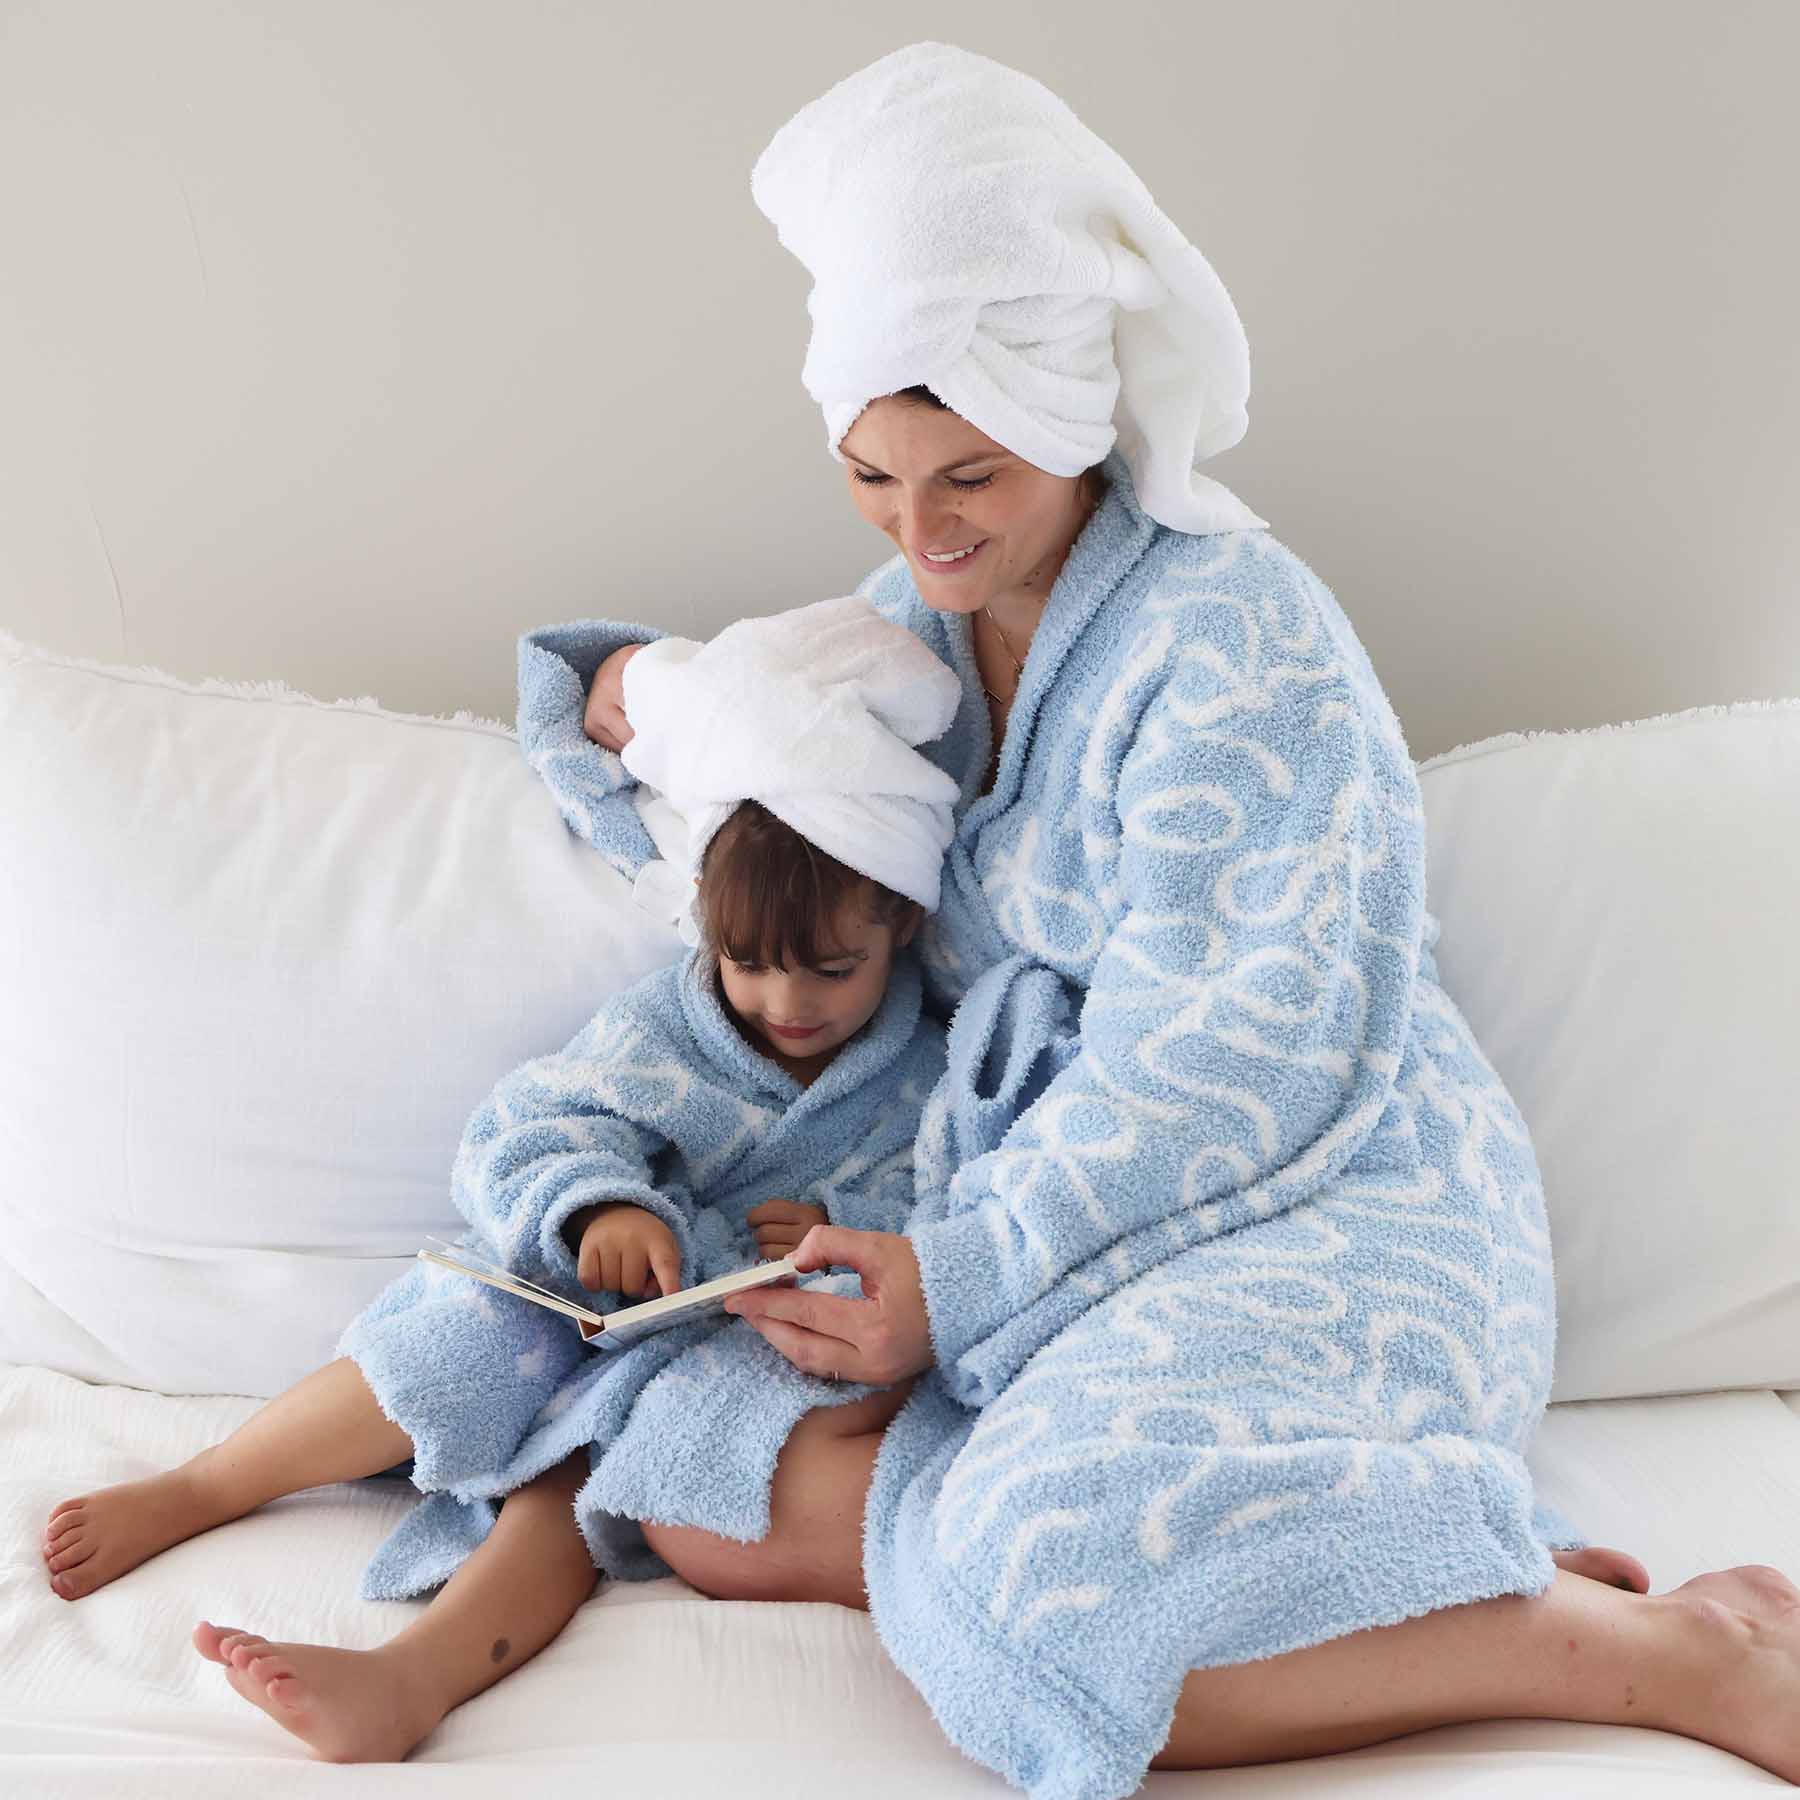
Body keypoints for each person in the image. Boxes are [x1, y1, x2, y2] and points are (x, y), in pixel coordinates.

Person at [541, 43, 1800, 1799]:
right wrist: (622, 701)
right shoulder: (897, 629)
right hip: (1054, 1227)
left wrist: (963, 1279)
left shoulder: (1238, 636)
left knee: (1038, 1604)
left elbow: (1237, 1057)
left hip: (1329, 1188)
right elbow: (719, 766)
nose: (924, 532)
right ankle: (1385, 1588)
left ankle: (1661, 1654)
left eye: (969, 477)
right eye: (874, 478)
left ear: (1066, 416)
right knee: (703, 1489)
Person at [39, 599, 956, 1764]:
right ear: (708, 936)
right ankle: (207, 1486)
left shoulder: (927, 1074)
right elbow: (528, 1122)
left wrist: (844, 1234)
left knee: (596, 1476)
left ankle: (412, 1680)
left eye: (832, 970)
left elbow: (951, 1215)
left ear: (905, 925)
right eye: (748, 966)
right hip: (580, 1307)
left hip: (727, 1352)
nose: (785, 1006)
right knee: (464, 1329)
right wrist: (600, 1205)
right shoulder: (667, 1029)